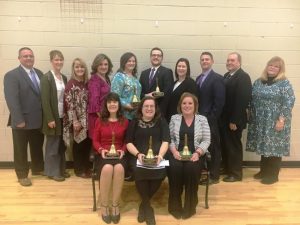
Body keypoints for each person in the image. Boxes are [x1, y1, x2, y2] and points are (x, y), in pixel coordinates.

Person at [246, 56, 295, 184]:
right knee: (264, 146)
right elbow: (251, 98)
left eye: (276, 66)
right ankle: (263, 171)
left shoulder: (284, 83)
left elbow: (289, 101)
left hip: (275, 120)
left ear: (280, 69)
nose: (272, 68)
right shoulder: (259, 81)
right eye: (270, 65)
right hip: (261, 120)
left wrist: (281, 119)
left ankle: (273, 175)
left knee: (274, 147)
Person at [126, 96, 170, 225]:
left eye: (152, 106)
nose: (149, 108)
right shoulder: (134, 122)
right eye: (146, 106)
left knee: (160, 174)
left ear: (155, 108)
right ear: (142, 108)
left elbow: (166, 141)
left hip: (157, 157)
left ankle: (143, 204)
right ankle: (148, 208)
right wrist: (138, 154)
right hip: (137, 156)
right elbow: (128, 142)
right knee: (139, 171)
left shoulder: (161, 121)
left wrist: (160, 156)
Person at [4, 47, 44, 186]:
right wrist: (18, 119)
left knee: (37, 146)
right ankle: (22, 174)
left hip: (38, 120)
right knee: (21, 149)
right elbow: (12, 99)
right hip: (22, 121)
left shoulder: (39, 73)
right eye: (25, 56)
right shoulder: (12, 75)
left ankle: (38, 168)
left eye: (31, 56)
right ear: (19, 58)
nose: (29, 58)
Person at [168, 92, 210, 219]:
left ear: (195, 105)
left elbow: (206, 140)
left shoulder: (202, 119)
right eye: (184, 103)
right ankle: (175, 206)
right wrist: (174, 151)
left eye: (190, 103)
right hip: (177, 153)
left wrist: (198, 153)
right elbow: (169, 138)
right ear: (180, 105)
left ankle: (190, 207)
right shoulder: (174, 118)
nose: (187, 106)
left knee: (191, 169)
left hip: (195, 153)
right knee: (175, 169)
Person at [93, 92, 129, 224]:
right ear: (106, 105)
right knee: (107, 168)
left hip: (119, 153)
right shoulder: (99, 121)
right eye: (109, 102)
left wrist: (122, 150)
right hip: (103, 154)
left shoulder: (125, 121)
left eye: (115, 102)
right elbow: (95, 141)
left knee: (119, 168)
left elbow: (127, 140)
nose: (112, 104)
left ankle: (115, 205)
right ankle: (104, 206)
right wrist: (101, 150)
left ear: (119, 104)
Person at [219, 52, 252, 182]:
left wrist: (234, 120)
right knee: (226, 145)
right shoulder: (227, 75)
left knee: (234, 146)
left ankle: (236, 173)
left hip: (234, 120)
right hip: (225, 119)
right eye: (228, 60)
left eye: (232, 60)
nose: (229, 63)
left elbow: (242, 100)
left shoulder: (243, 77)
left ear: (239, 62)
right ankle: (227, 168)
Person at [196, 52, 225, 184]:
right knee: (203, 146)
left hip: (210, 121)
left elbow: (219, 102)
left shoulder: (217, 78)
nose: (205, 61)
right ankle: (204, 172)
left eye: (207, 59)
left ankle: (214, 176)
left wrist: (211, 118)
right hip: (199, 120)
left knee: (213, 147)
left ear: (212, 61)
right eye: (202, 59)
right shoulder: (198, 78)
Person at [41, 50, 70, 182]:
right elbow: (45, 101)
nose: (59, 62)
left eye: (61, 59)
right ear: (51, 61)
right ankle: (52, 172)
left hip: (62, 116)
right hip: (53, 117)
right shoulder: (46, 78)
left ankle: (61, 169)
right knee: (52, 145)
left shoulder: (64, 77)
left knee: (61, 145)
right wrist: (50, 118)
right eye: (56, 60)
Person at [63, 58, 91, 178]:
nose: (80, 69)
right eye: (77, 67)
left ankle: (86, 167)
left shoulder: (87, 83)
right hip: (78, 121)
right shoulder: (71, 84)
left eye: (82, 67)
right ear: (73, 69)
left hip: (89, 120)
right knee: (79, 145)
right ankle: (79, 170)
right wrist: (74, 121)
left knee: (87, 145)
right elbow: (69, 104)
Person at [162, 58, 198, 123]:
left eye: (183, 66)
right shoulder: (174, 83)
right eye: (179, 66)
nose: (181, 68)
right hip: (170, 118)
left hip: (181, 120)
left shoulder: (191, 84)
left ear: (187, 69)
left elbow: (193, 104)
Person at [139, 47, 174, 112]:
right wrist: (146, 95)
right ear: (150, 57)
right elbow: (139, 92)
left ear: (162, 58)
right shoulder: (144, 73)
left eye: (158, 56)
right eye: (154, 55)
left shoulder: (167, 72)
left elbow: (167, 92)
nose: (156, 57)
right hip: (145, 110)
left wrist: (154, 95)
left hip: (159, 110)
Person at [88, 54, 112, 140]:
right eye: (100, 64)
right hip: (97, 117)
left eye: (106, 64)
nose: (103, 67)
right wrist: (103, 119)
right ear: (96, 66)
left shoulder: (106, 78)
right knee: (97, 143)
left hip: (105, 114)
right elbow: (94, 103)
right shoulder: (95, 80)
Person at [111, 52, 141, 120]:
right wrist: (128, 105)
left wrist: (147, 96)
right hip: (124, 116)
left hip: (136, 115)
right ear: (123, 62)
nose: (132, 63)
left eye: (133, 61)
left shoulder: (135, 78)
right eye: (129, 61)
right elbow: (114, 97)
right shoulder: (119, 77)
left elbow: (136, 95)